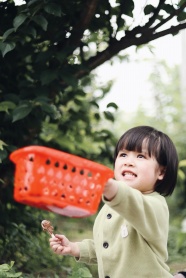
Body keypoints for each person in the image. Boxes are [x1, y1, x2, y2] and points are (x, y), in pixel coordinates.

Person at [49, 125, 182, 277]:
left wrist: (110, 186)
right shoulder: (109, 207)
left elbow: (134, 204)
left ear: (161, 172)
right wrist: (74, 248)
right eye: (123, 155)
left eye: (141, 156)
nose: (128, 162)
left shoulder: (155, 205)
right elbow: (107, 246)